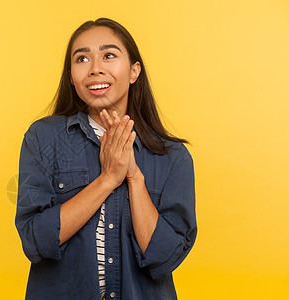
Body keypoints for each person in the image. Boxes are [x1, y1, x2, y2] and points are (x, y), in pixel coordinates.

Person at [15, 18, 197, 300]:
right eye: (82, 58)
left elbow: (163, 260)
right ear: (72, 76)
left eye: (109, 55)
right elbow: (36, 241)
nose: (95, 68)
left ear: (134, 71)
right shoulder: (43, 139)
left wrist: (134, 177)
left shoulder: (173, 157)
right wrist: (108, 179)